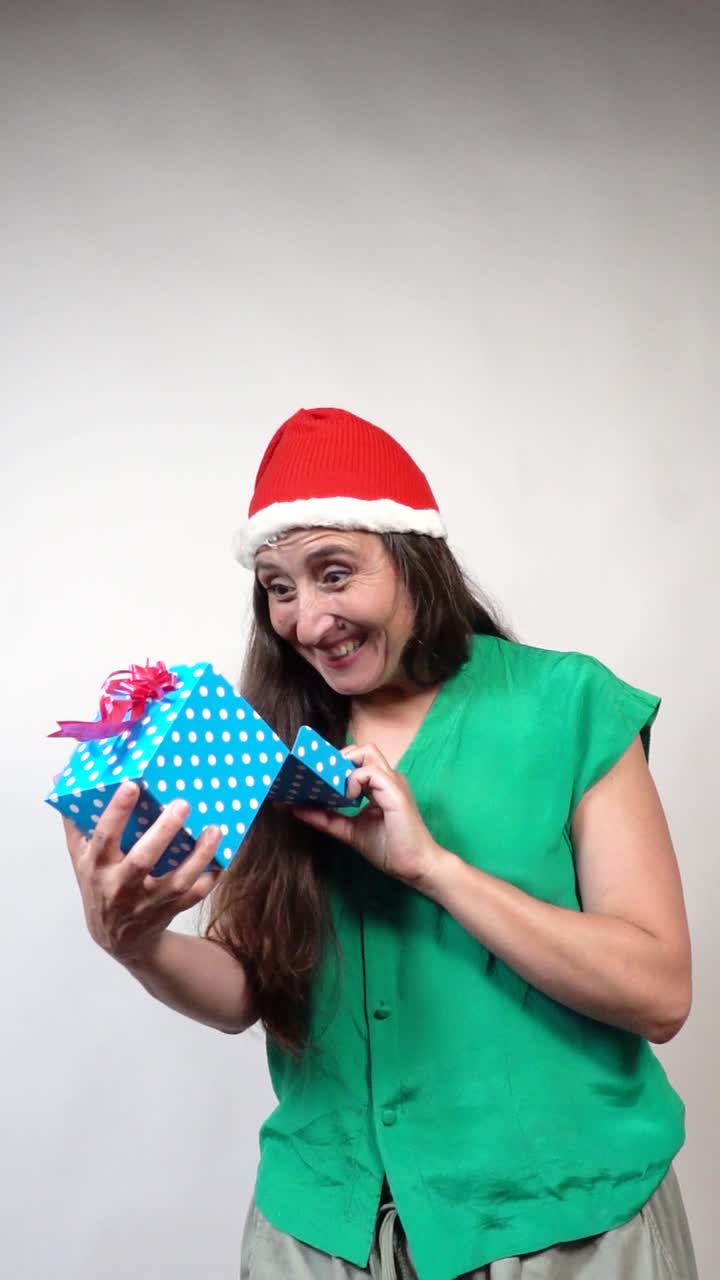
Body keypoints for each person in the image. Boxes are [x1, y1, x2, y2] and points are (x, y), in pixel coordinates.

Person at [62, 407, 698, 1280]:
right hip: (320, 1233)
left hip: (566, 1227)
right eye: (279, 588)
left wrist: (433, 870)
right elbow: (249, 984)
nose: (306, 619)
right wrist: (135, 946)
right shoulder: (268, 743)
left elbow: (660, 992)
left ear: (414, 561)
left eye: (333, 573)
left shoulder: (569, 704)